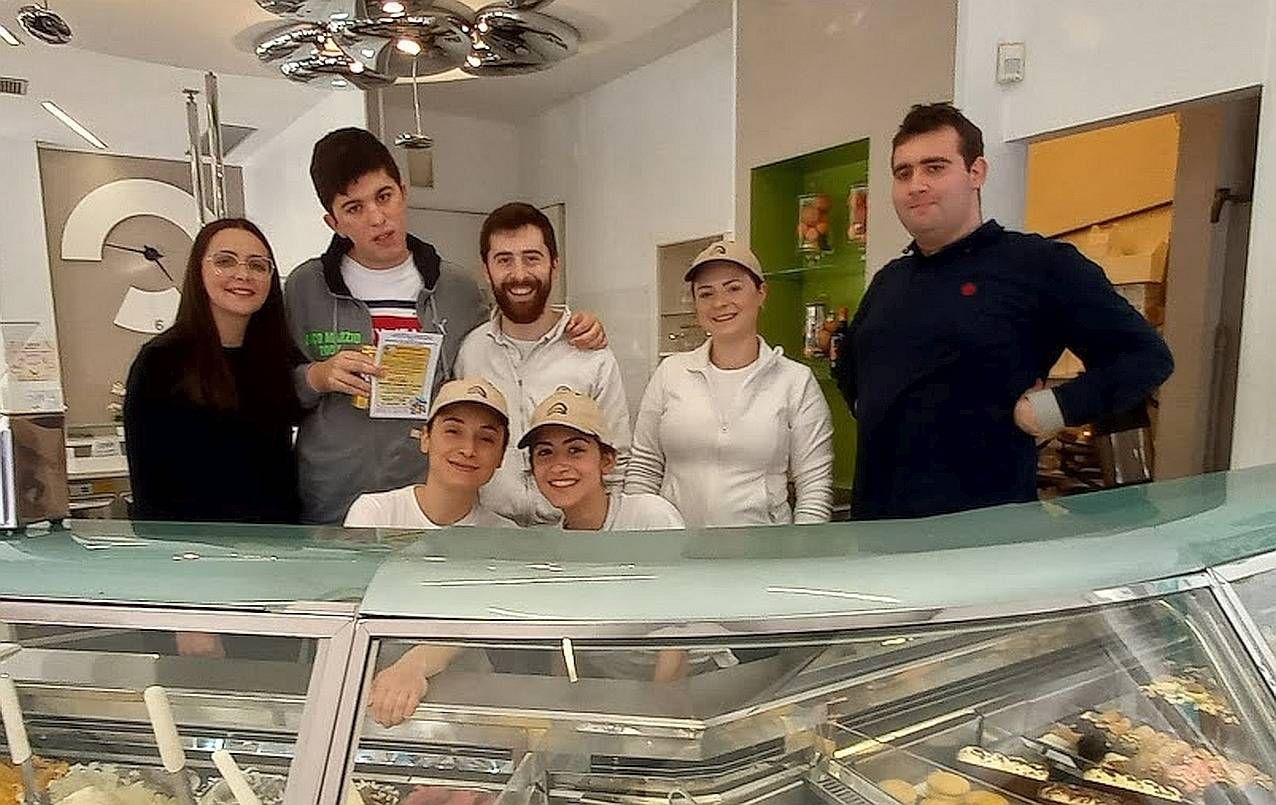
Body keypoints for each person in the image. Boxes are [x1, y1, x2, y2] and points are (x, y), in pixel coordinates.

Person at [833, 102, 1174, 520]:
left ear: (976, 172)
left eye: (935, 168)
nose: (916, 184)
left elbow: (1145, 357)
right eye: (903, 173)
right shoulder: (889, 281)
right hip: (878, 531)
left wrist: (1052, 409)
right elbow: (851, 375)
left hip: (987, 533)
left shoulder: (1038, 265)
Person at [285, 128, 605, 524]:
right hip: (332, 497)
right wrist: (316, 377)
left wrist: (574, 325)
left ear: (404, 191)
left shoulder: (457, 289)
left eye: (384, 196)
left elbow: (505, 345)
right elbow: (270, 395)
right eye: (354, 208)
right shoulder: (305, 287)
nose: (377, 218)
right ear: (333, 221)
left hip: (434, 502)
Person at [625, 240, 834, 527]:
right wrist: (637, 539)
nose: (720, 303)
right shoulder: (670, 373)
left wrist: (803, 549)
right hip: (676, 546)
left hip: (763, 549)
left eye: (733, 288)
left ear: (761, 293)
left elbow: (814, 486)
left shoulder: (795, 381)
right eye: (706, 293)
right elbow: (644, 468)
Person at [456, 202, 630, 527]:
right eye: (504, 260)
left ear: (554, 265)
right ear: (486, 270)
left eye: (532, 258)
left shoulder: (592, 354)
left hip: (576, 534)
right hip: (490, 534)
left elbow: (617, 460)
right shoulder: (471, 351)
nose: (519, 274)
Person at [125, 218, 299, 524]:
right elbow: (149, 484)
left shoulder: (279, 357)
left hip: (276, 544)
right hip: (193, 546)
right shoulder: (161, 360)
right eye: (225, 261)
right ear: (198, 270)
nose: (243, 274)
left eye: (257, 266)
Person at [343, 378, 516, 529]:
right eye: (453, 431)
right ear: (425, 438)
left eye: (486, 439)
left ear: (501, 455)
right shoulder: (375, 513)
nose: (468, 450)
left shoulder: (506, 535)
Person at [522, 387, 683, 531]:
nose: (558, 467)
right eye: (545, 452)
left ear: (606, 461)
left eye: (575, 450)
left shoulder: (651, 517)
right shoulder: (551, 545)